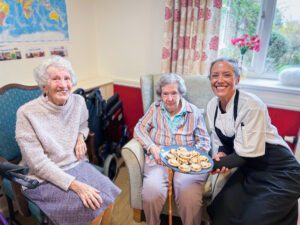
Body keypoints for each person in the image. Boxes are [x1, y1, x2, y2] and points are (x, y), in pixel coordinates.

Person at [16, 56, 121, 225]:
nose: (63, 85)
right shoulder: (27, 113)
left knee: (109, 196)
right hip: (43, 175)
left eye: (67, 78)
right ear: (44, 85)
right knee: (89, 206)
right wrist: (76, 185)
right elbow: (36, 163)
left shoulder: (78, 101)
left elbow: (83, 124)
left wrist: (81, 137)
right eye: (56, 79)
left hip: (75, 163)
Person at [206, 57, 300, 225]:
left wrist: (207, 165)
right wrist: (222, 153)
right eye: (215, 76)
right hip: (250, 168)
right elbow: (223, 140)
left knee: (253, 219)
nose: (219, 80)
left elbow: (245, 154)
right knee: (223, 210)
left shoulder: (252, 105)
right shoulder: (212, 106)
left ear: (237, 79)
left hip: (279, 170)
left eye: (226, 75)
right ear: (210, 80)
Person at [134, 73, 210, 225]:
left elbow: (204, 141)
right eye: (165, 94)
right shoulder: (155, 109)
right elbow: (139, 129)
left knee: (189, 196)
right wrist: (152, 148)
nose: (169, 98)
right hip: (159, 160)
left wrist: (186, 160)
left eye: (174, 93)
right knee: (151, 193)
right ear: (160, 95)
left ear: (181, 92)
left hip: (186, 163)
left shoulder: (193, 112)